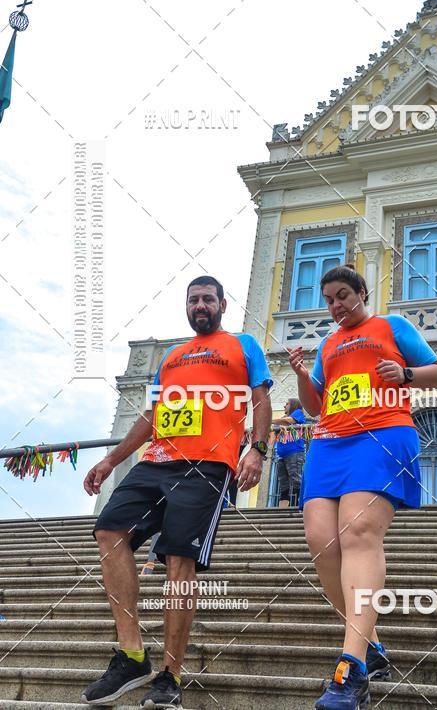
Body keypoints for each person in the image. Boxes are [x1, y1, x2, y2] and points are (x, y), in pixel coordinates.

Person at [82, 276, 273, 708]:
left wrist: (257, 449)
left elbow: (260, 400)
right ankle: (131, 655)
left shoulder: (243, 345)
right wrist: (112, 459)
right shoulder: (171, 357)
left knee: (178, 561)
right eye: (193, 300)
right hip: (157, 461)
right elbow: (152, 414)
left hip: (208, 465)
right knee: (110, 531)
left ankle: (170, 674)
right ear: (187, 307)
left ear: (222, 304)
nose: (200, 305)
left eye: (208, 299)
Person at [288, 264, 437, 710]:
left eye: (343, 295)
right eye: (329, 299)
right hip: (329, 443)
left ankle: (350, 669)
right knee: (322, 545)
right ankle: (371, 646)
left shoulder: (392, 326)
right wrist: (303, 375)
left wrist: (405, 375)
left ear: (361, 293)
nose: (336, 305)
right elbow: (314, 405)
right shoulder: (329, 344)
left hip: (382, 434)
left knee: (357, 535)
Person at [275, 397, 307, 507]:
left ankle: (301, 505)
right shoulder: (283, 418)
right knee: (283, 484)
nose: (284, 406)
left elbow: (288, 421)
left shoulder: (298, 413)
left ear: (293, 405)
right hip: (281, 455)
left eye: (287, 404)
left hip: (294, 453)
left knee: (296, 480)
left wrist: (268, 419)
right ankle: (281, 510)